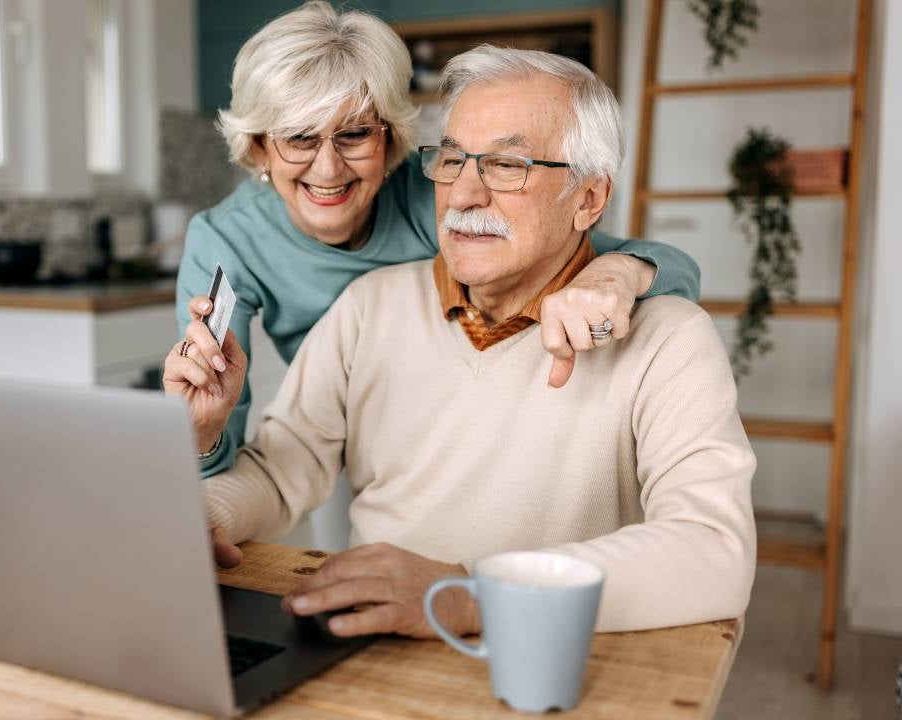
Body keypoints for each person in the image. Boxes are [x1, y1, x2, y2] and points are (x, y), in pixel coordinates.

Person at [172, 44, 756, 638]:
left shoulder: (670, 338)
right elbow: (278, 472)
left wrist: (468, 595)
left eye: (507, 166)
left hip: (550, 661)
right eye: (452, 160)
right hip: (371, 651)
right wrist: (202, 514)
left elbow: (713, 553)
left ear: (588, 198)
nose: (464, 194)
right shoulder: (366, 306)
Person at [165, 1, 702, 478]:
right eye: (298, 138)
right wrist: (199, 434)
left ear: (390, 138)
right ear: (258, 149)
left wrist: (617, 273)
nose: (327, 168)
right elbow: (217, 441)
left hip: (460, 417)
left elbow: (668, 267)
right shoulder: (225, 240)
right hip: (332, 423)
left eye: (353, 134)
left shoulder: (443, 196)